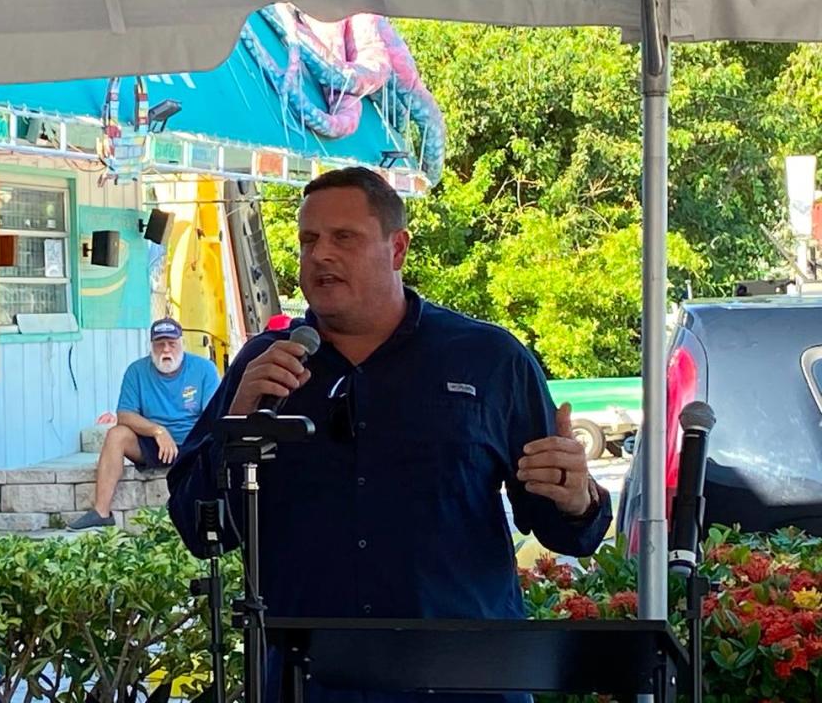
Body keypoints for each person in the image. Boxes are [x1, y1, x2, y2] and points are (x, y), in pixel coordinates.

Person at [167, 168, 612, 703]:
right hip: (313, 686)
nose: (321, 255)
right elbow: (201, 532)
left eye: (344, 238)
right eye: (309, 240)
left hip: (466, 684)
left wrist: (576, 498)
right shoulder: (262, 370)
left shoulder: (490, 360)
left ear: (397, 248)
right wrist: (233, 431)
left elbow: (567, 533)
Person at [69, 317, 220, 530]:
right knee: (116, 434)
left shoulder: (204, 369)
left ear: (182, 344)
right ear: (151, 346)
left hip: (192, 443)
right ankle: (101, 511)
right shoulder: (136, 371)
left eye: (172, 343)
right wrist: (158, 431)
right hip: (154, 444)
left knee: (216, 439)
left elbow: (213, 414)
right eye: (160, 344)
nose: (166, 349)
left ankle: (214, 513)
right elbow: (124, 414)